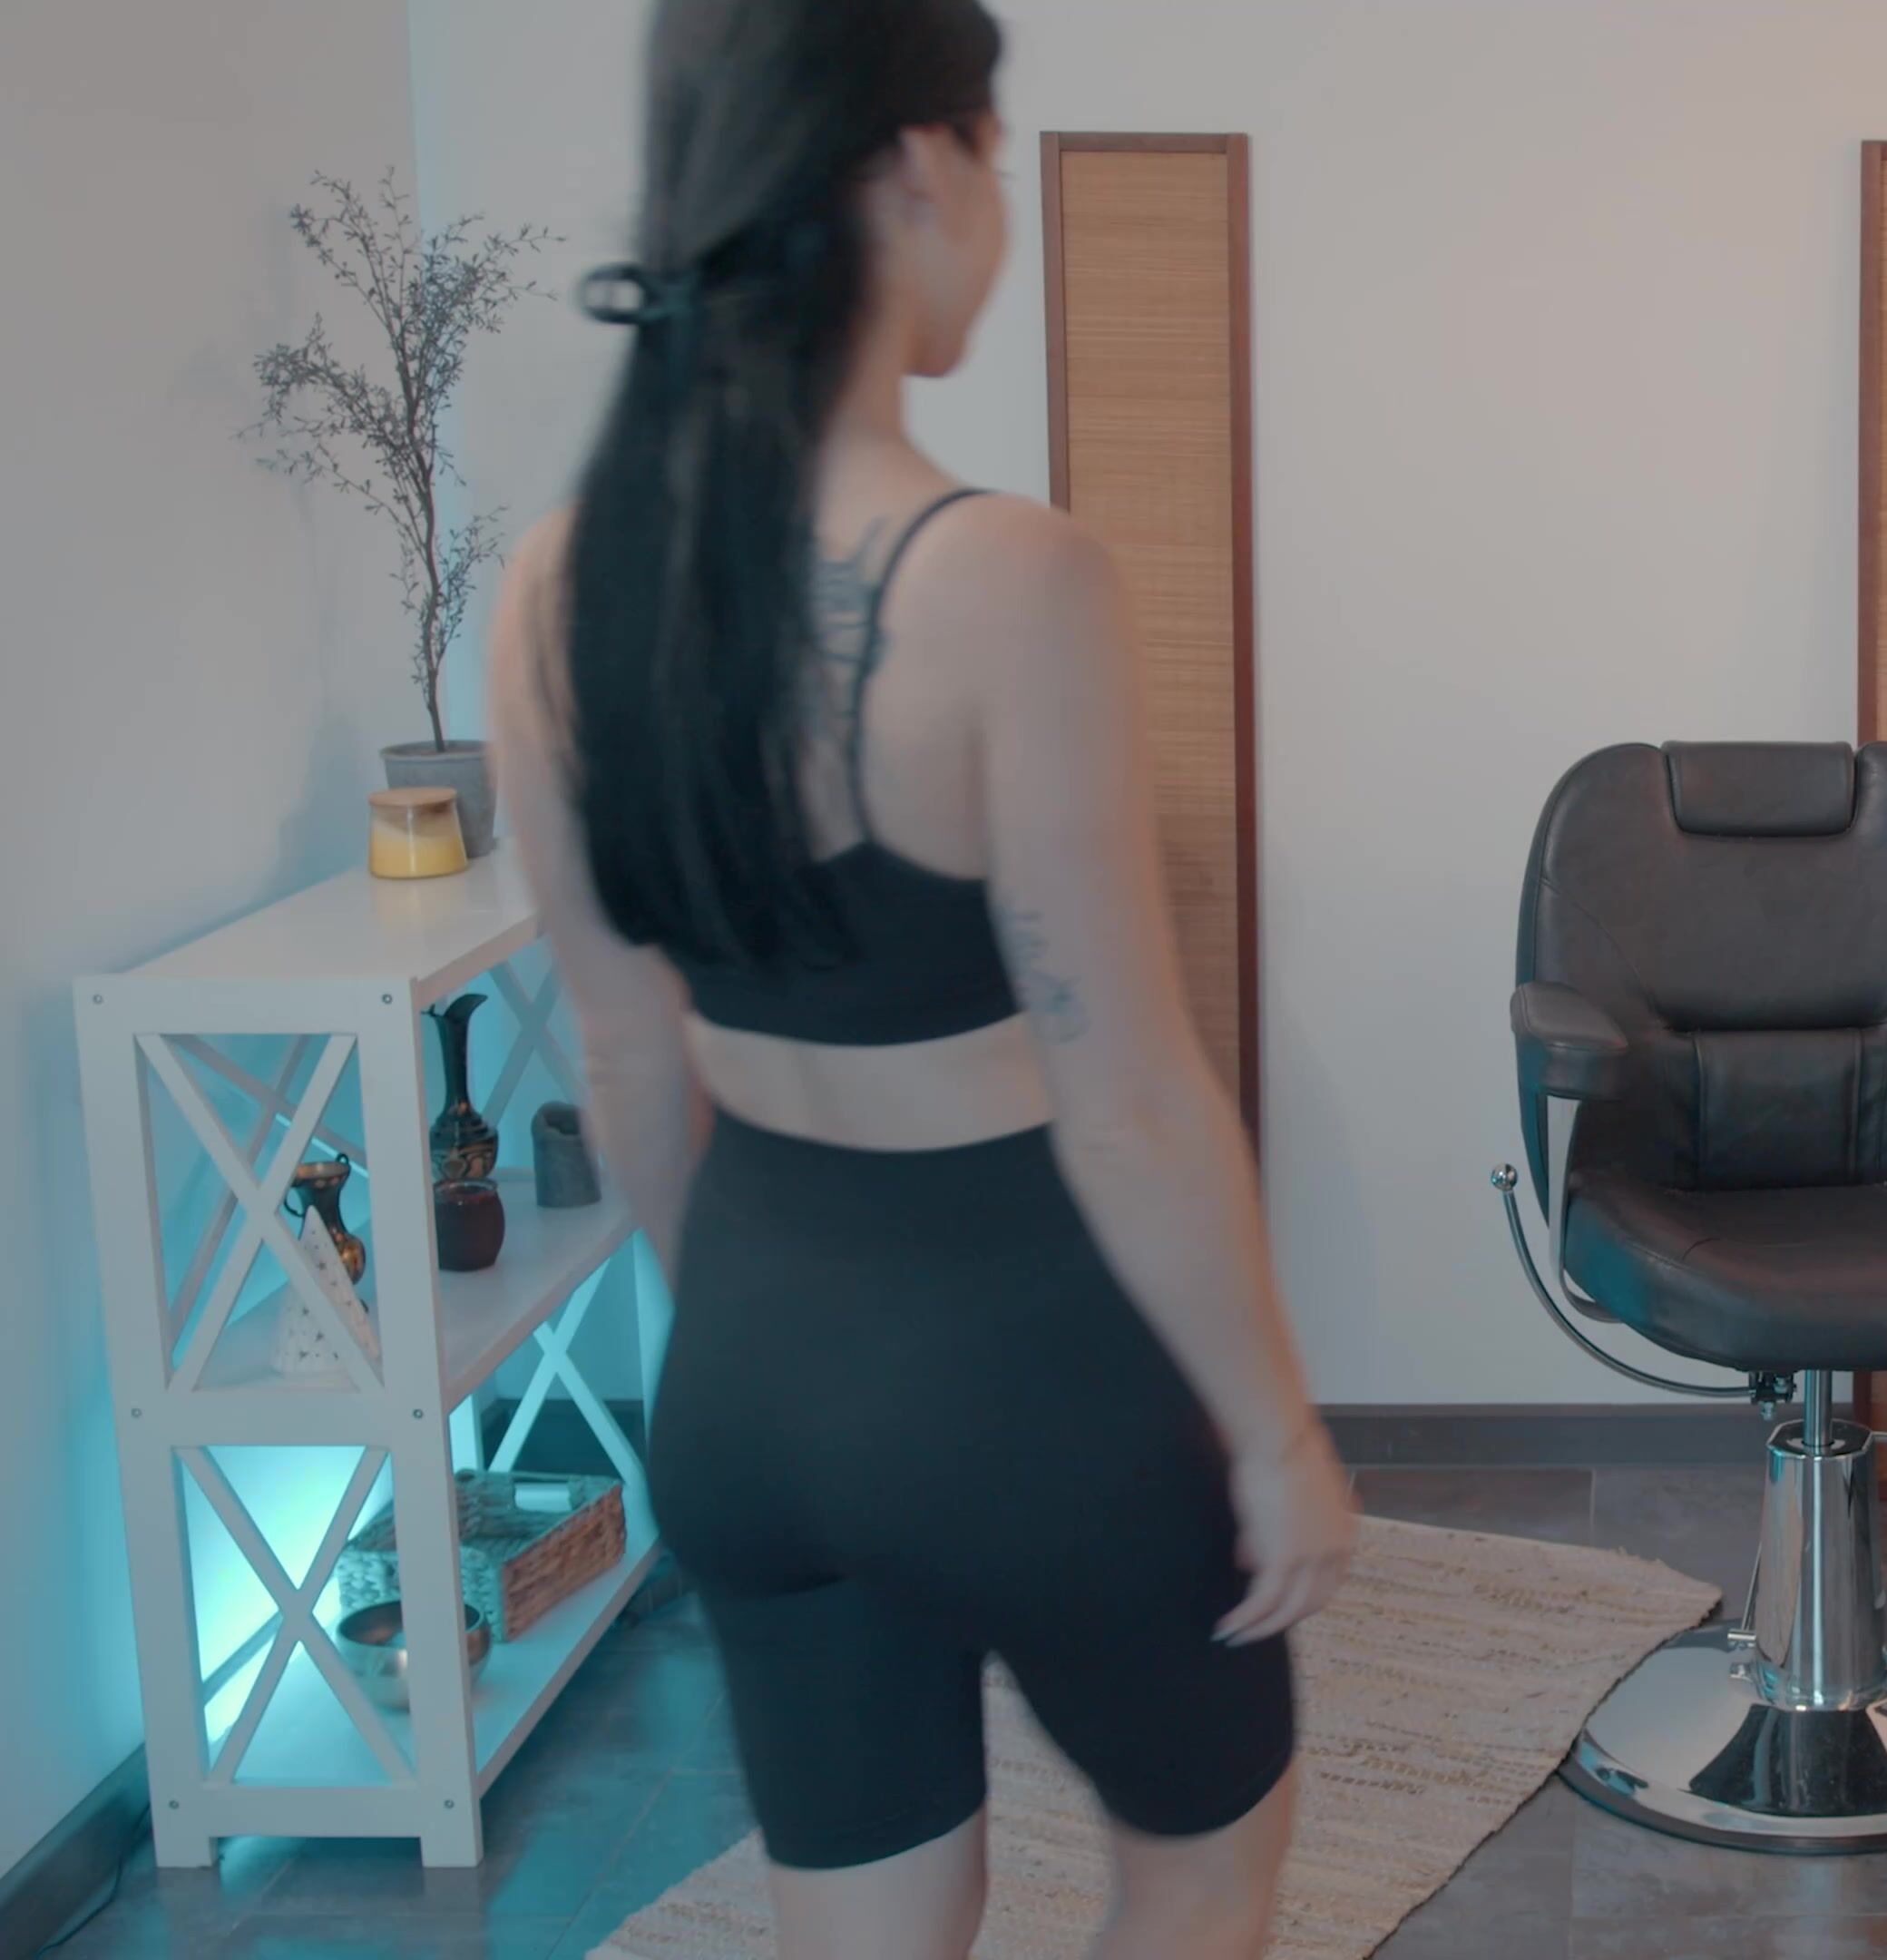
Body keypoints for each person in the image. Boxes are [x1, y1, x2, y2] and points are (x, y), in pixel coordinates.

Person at [487, 3, 1353, 1954]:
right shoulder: (1006, 577)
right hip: (1032, 1379)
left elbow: (627, 1064)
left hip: (750, 1373)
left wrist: (766, 1348)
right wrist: (1278, 1429)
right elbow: (1129, 1103)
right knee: (1205, 1872)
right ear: (913, 170)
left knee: (866, 1919)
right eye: (999, 156)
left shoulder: (556, 585)